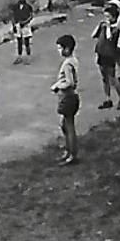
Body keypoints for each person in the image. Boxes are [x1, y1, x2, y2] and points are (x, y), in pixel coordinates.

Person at [51, 34, 80, 165]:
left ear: (67, 49)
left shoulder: (68, 64)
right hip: (71, 97)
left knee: (69, 126)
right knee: (64, 125)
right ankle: (68, 149)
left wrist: (57, 85)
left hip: (68, 96)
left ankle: (71, 154)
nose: (58, 51)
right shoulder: (73, 60)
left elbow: (70, 82)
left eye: (60, 48)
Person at [92, 4, 120, 110]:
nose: (106, 19)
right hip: (101, 53)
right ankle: (108, 99)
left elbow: (109, 37)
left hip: (110, 54)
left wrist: (107, 27)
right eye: (105, 16)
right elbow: (94, 35)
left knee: (112, 78)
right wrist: (99, 26)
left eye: (108, 17)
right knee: (104, 78)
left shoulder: (115, 29)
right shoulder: (103, 26)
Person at [9, 0, 36, 64]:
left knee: (27, 42)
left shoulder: (28, 7)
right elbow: (13, 16)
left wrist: (25, 22)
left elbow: (31, 17)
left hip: (26, 25)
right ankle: (19, 56)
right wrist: (14, 25)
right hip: (18, 25)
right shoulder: (15, 7)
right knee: (19, 42)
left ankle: (28, 57)